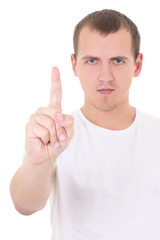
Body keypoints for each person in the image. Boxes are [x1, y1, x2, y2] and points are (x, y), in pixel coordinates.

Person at [10, 9, 160, 240]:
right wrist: (40, 162)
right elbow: (24, 204)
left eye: (118, 60)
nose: (105, 76)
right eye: (92, 61)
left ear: (137, 65)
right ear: (74, 65)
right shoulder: (56, 135)